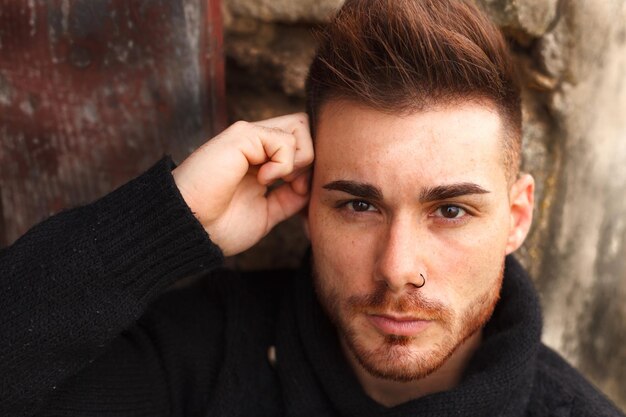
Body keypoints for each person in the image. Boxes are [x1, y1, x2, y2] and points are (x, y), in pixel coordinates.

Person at [1, 0, 623, 416]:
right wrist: (163, 223)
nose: (397, 268)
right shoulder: (205, 353)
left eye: (450, 211)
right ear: (305, 206)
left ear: (516, 218)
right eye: (358, 204)